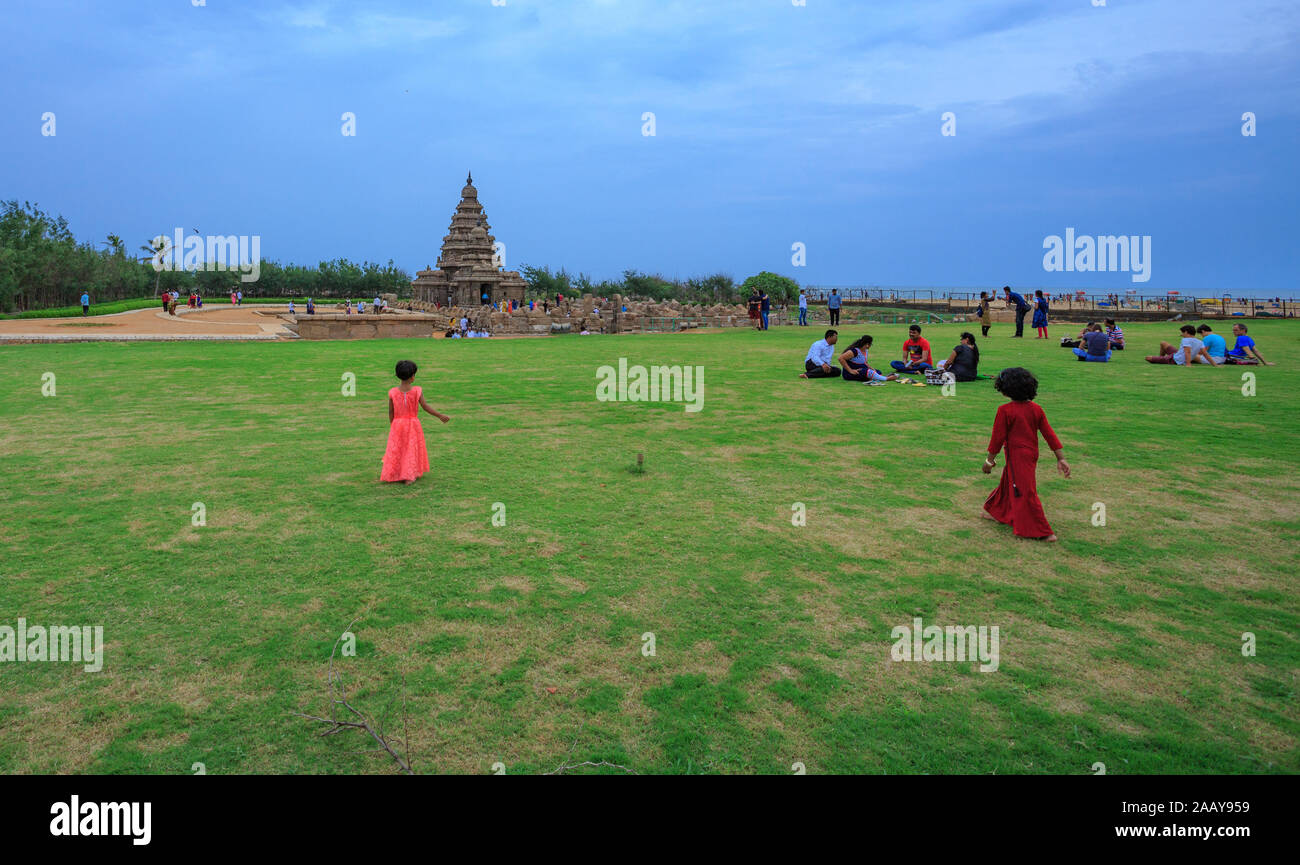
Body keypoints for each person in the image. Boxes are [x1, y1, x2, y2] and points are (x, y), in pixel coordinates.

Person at [982, 367, 1070, 542]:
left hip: (1018, 456)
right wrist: (1060, 457)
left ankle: (1041, 530)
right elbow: (1049, 434)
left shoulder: (1005, 410)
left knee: (1024, 491)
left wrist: (989, 461)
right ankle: (996, 511)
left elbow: (997, 439)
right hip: (1030, 454)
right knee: (1011, 482)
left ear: (1005, 389)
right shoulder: (1036, 408)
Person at [380, 359, 448, 485]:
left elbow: (391, 411)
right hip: (412, 424)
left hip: (397, 424)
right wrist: (439, 415)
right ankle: (409, 475)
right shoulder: (417, 391)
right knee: (410, 448)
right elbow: (425, 407)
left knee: (398, 448)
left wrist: (392, 425)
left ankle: (396, 472)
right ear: (412, 377)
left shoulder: (393, 392)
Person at [1146, 325, 1219, 365]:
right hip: (1177, 354)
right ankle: (1161, 358)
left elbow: (1187, 352)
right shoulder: (1200, 342)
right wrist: (1214, 364)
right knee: (1163, 343)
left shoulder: (1185, 340)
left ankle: (1162, 360)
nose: (1181, 334)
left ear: (1186, 332)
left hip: (1175, 360)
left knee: (1148, 358)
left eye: (1182, 333)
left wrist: (1188, 364)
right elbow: (1205, 354)